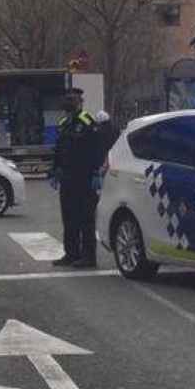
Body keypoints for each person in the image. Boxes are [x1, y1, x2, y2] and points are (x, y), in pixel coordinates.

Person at [50, 88, 114, 268]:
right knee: (68, 217)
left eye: (72, 99)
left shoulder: (87, 121)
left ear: (80, 102)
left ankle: (88, 257)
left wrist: (95, 172)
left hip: (84, 177)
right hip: (67, 177)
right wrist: (54, 169)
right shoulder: (63, 122)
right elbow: (59, 149)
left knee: (85, 218)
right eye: (67, 98)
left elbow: (97, 148)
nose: (68, 102)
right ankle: (71, 254)